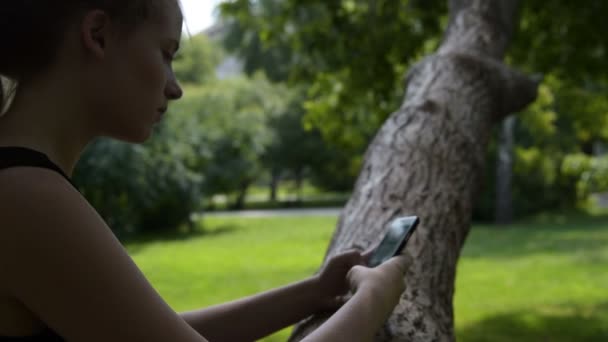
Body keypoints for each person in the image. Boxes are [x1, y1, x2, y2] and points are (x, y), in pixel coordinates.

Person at [0, 1, 411, 341]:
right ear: (99, 35)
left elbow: (155, 332)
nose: (175, 87)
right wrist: (373, 298)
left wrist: (314, 292)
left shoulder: (22, 183)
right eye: (166, 53)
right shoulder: (24, 196)